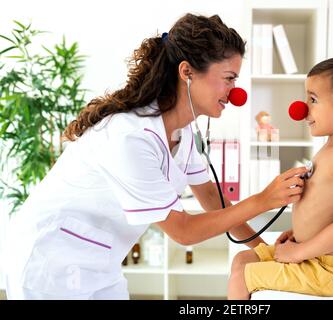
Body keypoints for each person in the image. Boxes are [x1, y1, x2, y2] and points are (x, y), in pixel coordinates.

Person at [4, 13, 308, 300]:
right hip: (47, 264)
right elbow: (183, 231)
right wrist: (265, 199)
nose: (234, 92)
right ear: (187, 72)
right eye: (229, 78)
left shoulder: (183, 132)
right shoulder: (129, 136)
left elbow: (215, 203)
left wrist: (268, 252)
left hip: (101, 262)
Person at [228, 57, 333, 299]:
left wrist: (299, 253)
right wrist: (298, 232)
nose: (302, 108)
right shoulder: (330, 149)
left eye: (313, 99)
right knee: (241, 260)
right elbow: (324, 209)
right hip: (310, 252)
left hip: (329, 269)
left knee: (243, 277)